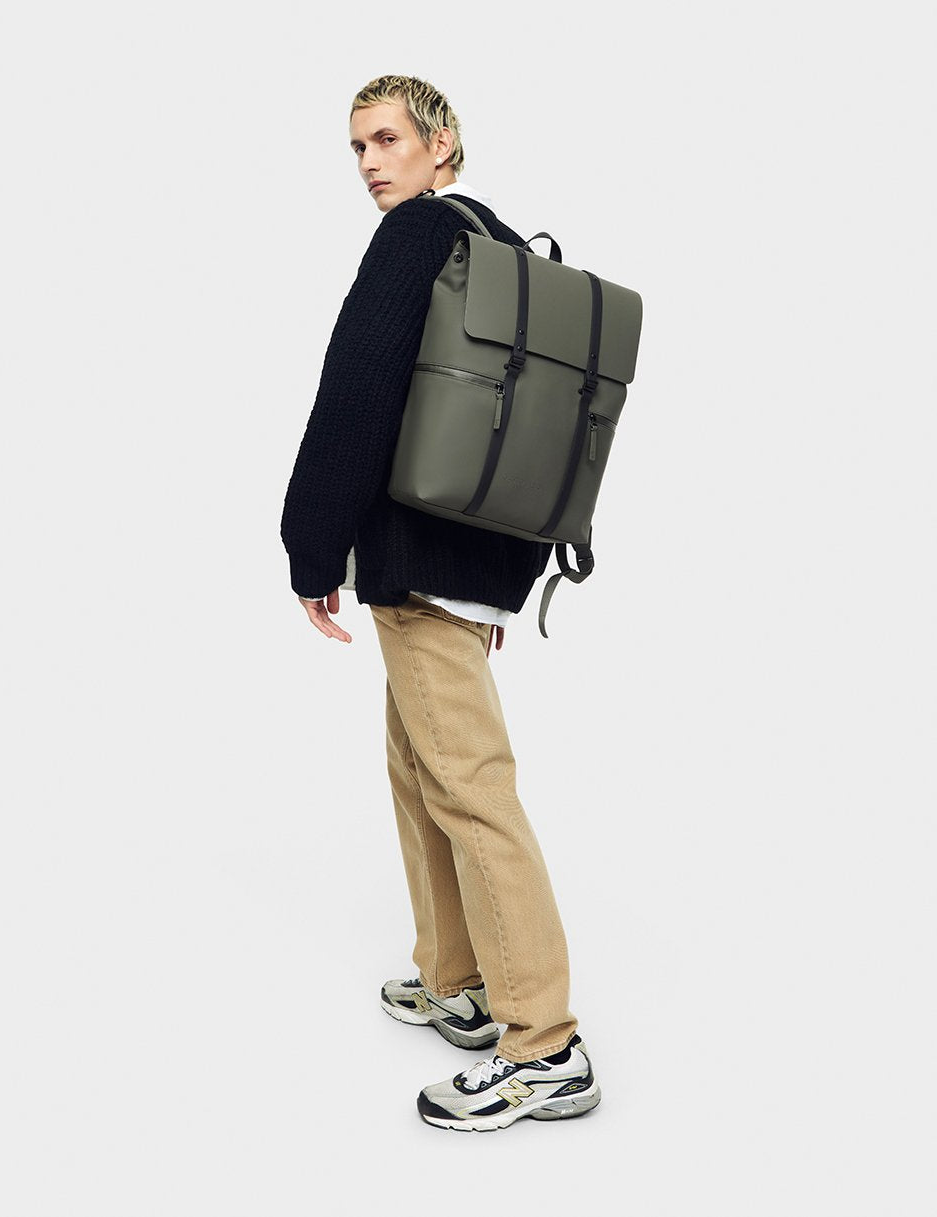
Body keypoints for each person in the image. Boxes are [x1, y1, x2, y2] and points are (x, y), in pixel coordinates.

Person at [280, 74, 600, 1132]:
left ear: (440, 141)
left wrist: (309, 545)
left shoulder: (416, 235)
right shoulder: (500, 244)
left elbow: (356, 390)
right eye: (357, 147)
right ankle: (453, 979)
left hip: (416, 560)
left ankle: (543, 1043)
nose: (371, 162)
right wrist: (500, 580)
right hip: (466, 560)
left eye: (386, 138)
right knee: (419, 768)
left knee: (471, 790)